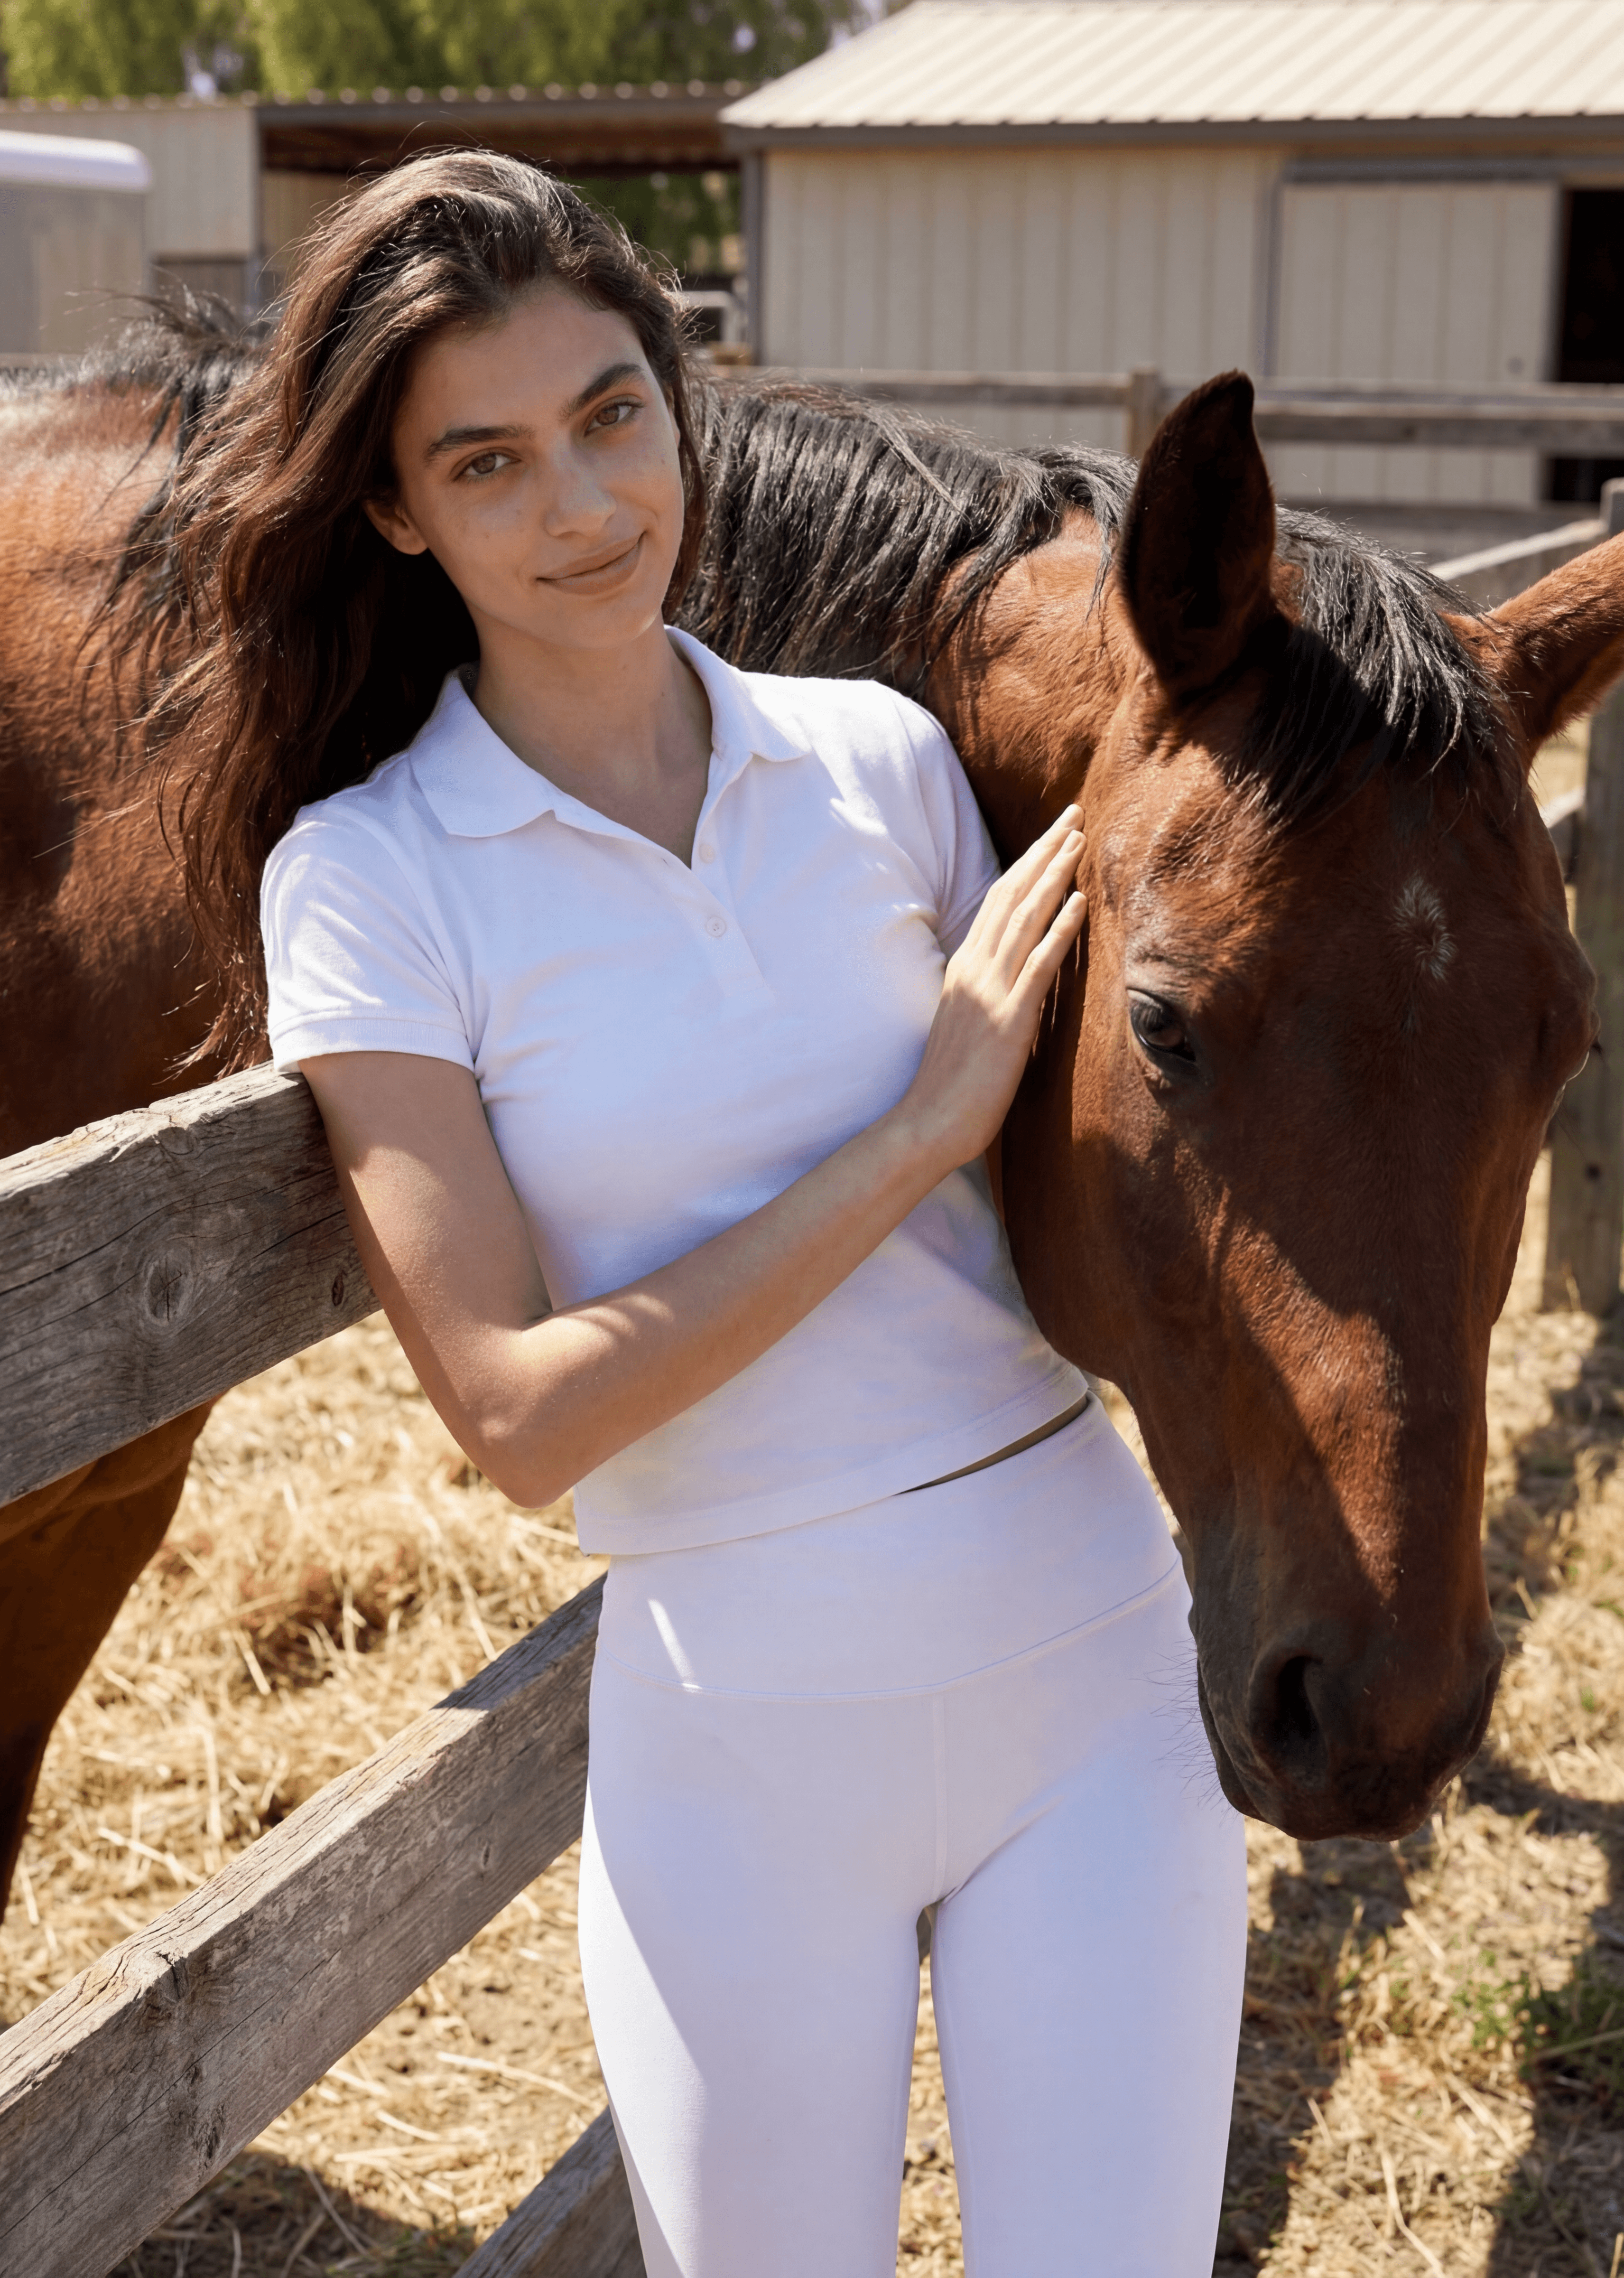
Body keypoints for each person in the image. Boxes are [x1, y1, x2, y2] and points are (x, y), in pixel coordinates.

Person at [167, 150, 1246, 2277]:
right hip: (736, 1747)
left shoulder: (880, 762)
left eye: (610, 416)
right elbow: (514, 1415)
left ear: (680, 398)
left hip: (1091, 1669)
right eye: (485, 463)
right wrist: (915, 1128)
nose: (581, 507)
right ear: (393, 511)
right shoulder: (372, 882)